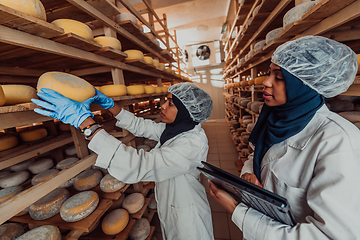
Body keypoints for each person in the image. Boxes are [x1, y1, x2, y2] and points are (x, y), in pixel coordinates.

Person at [209, 35, 360, 239]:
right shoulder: (275, 119)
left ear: (305, 84)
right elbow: (257, 156)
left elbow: (328, 235)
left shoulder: (338, 142)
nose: (266, 82)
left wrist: (238, 210)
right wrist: (248, 176)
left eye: (279, 77)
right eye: (269, 73)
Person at [31, 82, 215, 240]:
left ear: (186, 111)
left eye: (171, 103)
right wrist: (111, 106)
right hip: (173, 205)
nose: (163, 106)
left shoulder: (191, 144)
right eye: (165, 100)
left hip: (188, 213)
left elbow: (138, 165)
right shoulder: (177, 129)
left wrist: (85, 123)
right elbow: (142, 126)